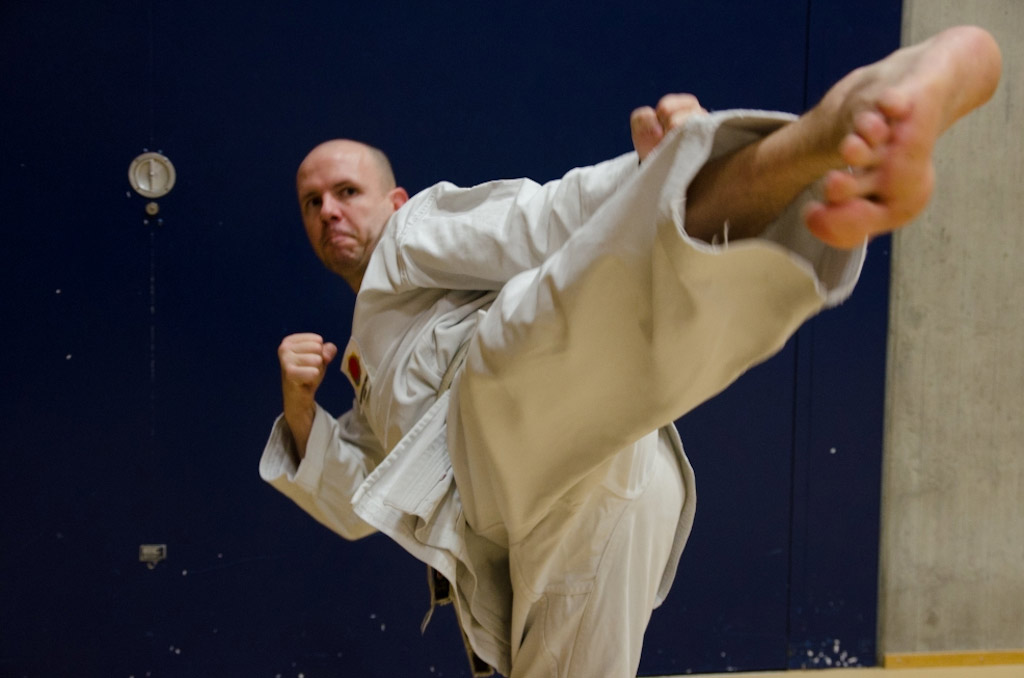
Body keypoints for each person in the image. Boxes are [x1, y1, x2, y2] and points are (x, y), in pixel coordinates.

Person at [260, 26, 1001, 678]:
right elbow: (361, 506)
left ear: (394, 200)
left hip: (527, 423)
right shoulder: (365, 357)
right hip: (562, 502)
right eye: (311, 203)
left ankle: (826, 132)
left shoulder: (412, 236)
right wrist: (301, 410)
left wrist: (646, 176)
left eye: (347, 191)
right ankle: (806, 143)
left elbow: (534, 219)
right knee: (627, 312)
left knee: (548, 320)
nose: (330, 212)